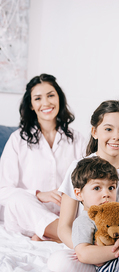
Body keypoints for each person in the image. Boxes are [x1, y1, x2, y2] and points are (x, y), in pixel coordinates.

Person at [48, 99, 119, 272]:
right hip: (89, 248)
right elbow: (63, 227)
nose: (117, 136)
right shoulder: (78, 167)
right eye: (108, 129)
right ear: (95, 132)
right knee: (59, 263)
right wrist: (86, 249)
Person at [0, 73, 86, 241]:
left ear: (59, 98)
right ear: (31, 105)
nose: (46, 103)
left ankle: (51, 235)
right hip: (27, 215)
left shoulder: (77, 139)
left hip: (68, 214)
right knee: (15, 199)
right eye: (38, 98)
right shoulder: (17, 140)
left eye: (51, 95)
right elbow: (3, 191)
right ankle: (68, 237)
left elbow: (88, 181)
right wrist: (38, 195)